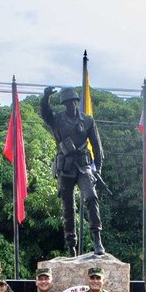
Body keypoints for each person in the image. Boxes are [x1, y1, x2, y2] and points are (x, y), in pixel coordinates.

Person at [40, 86, 106, 256]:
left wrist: (97, 169)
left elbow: (98, 148)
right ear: (64, 104)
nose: (70, 105)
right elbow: (45, 113)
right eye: (67, 103)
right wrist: (46, 96)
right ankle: (71, 247)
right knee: (68, 208)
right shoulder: (57, 120)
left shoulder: (88, 120)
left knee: (91, 197)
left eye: (73, 102)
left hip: (83, 166)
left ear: (77, 102)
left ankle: (97, 239)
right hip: (65, 167)